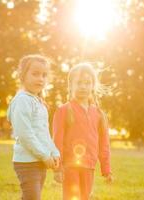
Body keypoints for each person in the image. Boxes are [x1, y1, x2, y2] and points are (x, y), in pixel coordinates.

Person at [53, 62, 113, 200]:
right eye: (79, 83)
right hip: (70, 166)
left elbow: (104, 144)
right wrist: (57, 168)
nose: (83, 87)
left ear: (93, 85)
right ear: (71, 85)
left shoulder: (99, 113)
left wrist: (106, 168)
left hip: (89, 166)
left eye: (87, 83)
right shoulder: (63, 110)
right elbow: (57, 141)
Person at [7, 54, 60, 200]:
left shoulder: (39, 102)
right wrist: (44, 154)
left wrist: (54, 152)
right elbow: (25, 135)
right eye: (35, 74)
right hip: (27, 162)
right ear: (22, 76)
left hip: (39, 161)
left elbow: (44, 134)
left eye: (44, 75)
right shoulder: (22, 101)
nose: (40, 79)